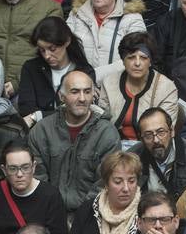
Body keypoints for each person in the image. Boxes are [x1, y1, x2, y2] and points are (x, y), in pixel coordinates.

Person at [27, 70, 121, 213]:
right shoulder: (42, 131)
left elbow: (104, 183)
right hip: (47, 211)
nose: (82, 98)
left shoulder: (107, 133)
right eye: (75, 92)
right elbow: (37, 178)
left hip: (92, 213)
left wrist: (82, 218)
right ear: (62, 96)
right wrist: (53, 214)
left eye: (87, 92)